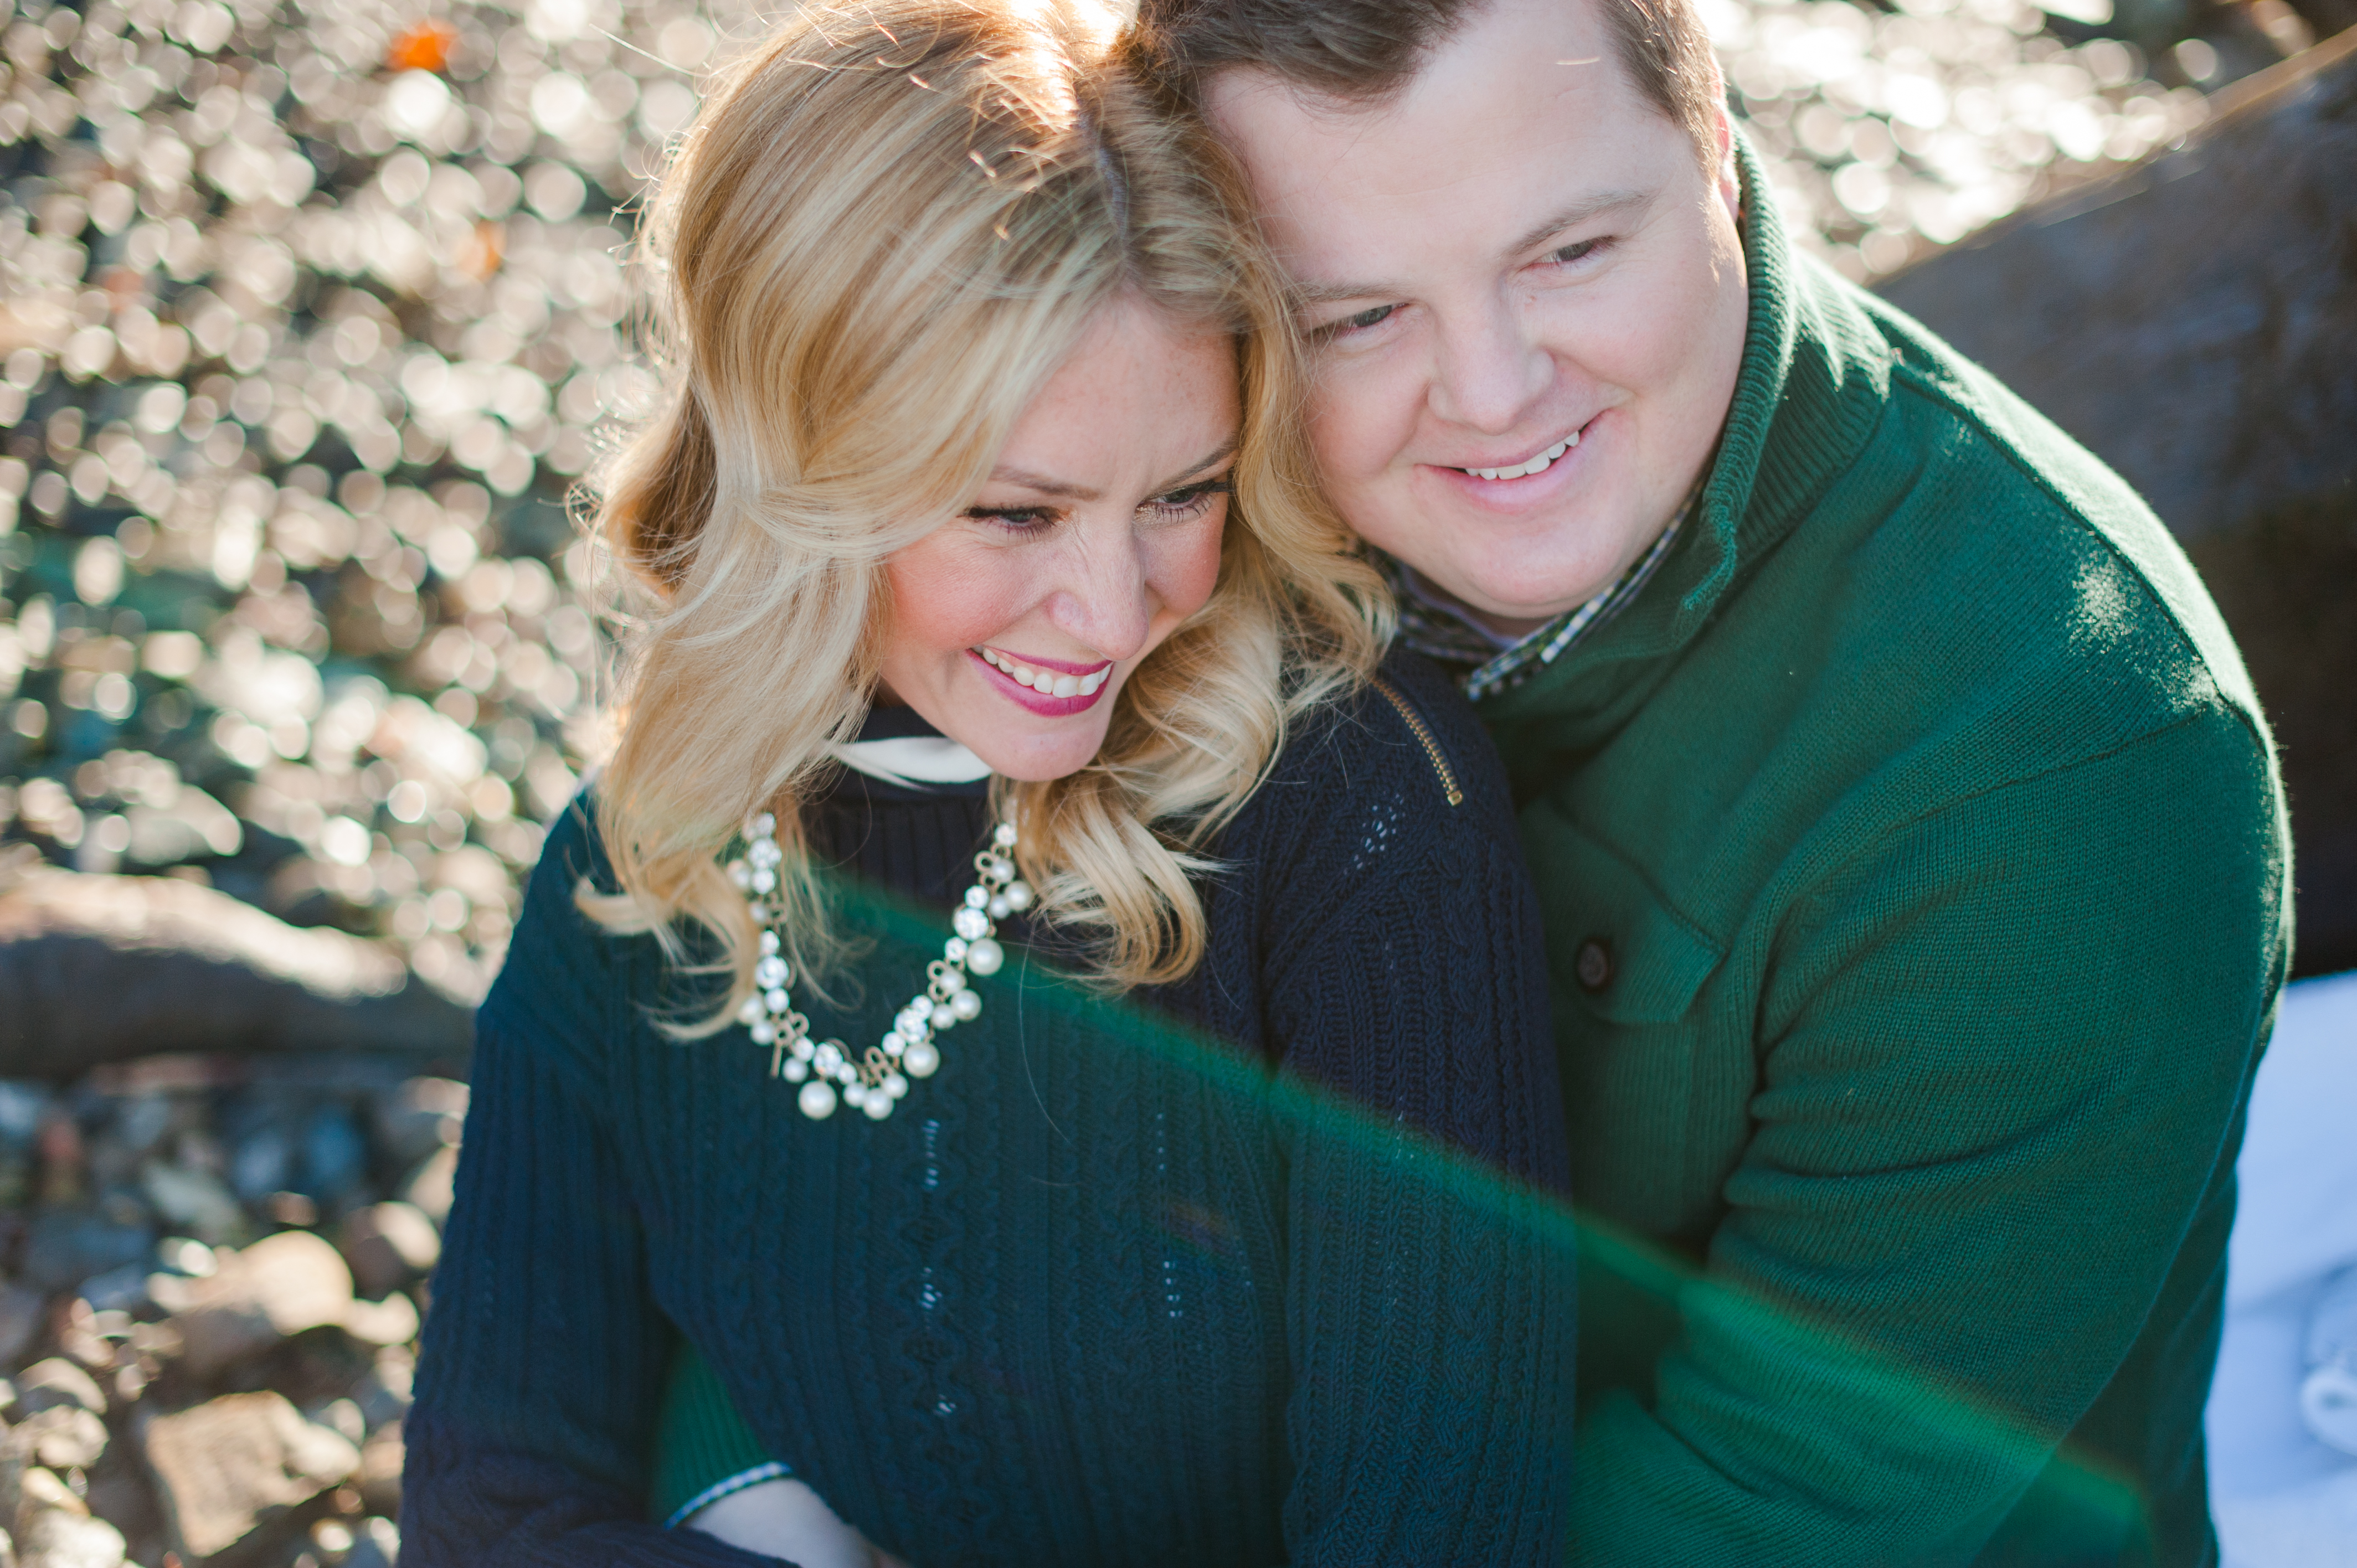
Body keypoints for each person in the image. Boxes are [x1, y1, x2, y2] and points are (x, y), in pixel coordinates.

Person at [398, 3, 1576, 1565]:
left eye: (1184, 494)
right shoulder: (651, 867)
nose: (1111, 609)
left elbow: (1442, 1529)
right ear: (801, 463)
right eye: (1016, 515)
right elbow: (488, 1509)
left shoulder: (1356, 815)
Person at [1131, 0, 2291, 1562]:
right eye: (1357, 319)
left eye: (1573, 254)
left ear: (1719, 156)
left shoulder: (2061, 769)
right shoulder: (1158, 498)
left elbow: (1761, 1511)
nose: (1491, 390)